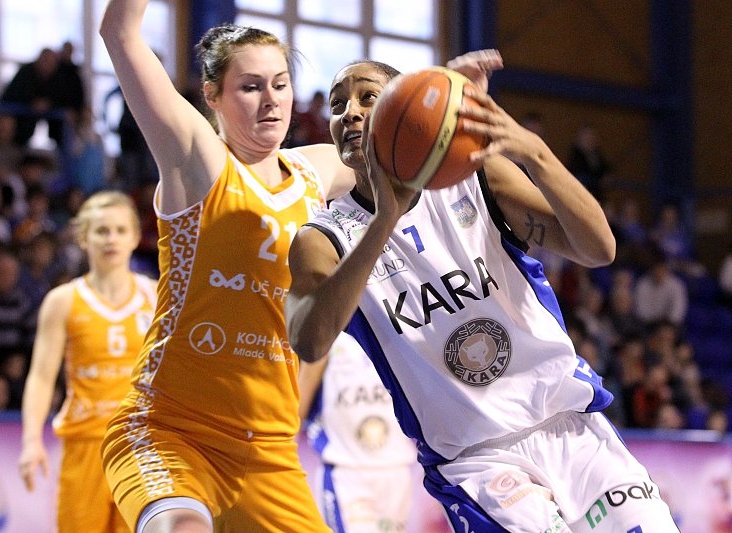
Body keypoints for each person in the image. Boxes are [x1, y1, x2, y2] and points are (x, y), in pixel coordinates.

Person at [285, 58, 679, 531]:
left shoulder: (477, 179)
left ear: (403, 108)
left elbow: (600, 249)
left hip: (572, 425)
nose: (348, 111)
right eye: (336, 105)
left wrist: (534, 152)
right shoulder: (323, 237)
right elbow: (308, 340)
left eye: (367, 97)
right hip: (477, 463)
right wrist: (384, 220)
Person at [98, 0, 373, 530]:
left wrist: (452, 98)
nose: (271, 100)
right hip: (173, 431)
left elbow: (406, 153)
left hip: (270, 451)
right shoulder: (199, 157)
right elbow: (119, 31)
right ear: (212, 96)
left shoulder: (315, 171)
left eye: (280, 84)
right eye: (250, 87)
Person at [18, 190, 157, 533]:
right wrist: (31, 440)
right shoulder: (63, 300)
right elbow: (41, 377)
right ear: (83, 238)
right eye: (102, 231)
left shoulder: (156, 295)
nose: (112, 239)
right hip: (85, 443)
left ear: (135, 237)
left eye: (121, 231)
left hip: (142, 444)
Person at [298, 331, 418, 532]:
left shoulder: (400, 329)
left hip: (397, 468)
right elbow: (298, 405)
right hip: (345, 472)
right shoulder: (326, 330)